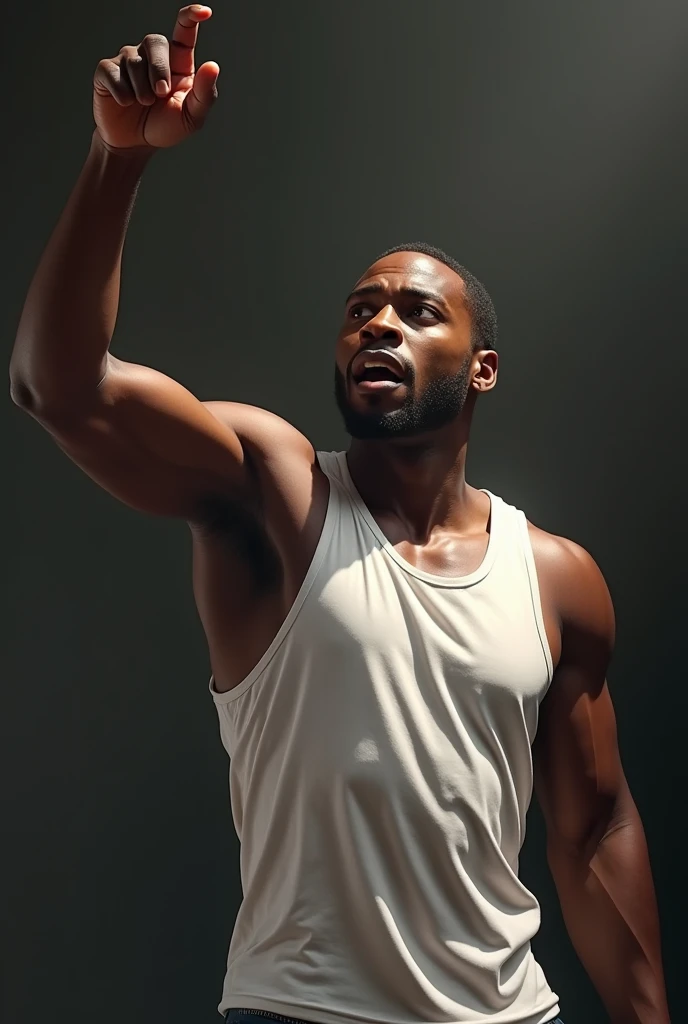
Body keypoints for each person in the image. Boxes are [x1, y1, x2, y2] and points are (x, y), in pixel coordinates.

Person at [9, 6, 669, 1024]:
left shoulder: (554, 577)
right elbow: (63, 389)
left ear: (481, 367)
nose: (379, 324)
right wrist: (116, 155)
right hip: (300, 1010)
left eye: (415, 311)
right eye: (361, 309)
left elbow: (591, 830)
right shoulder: (276, 493)